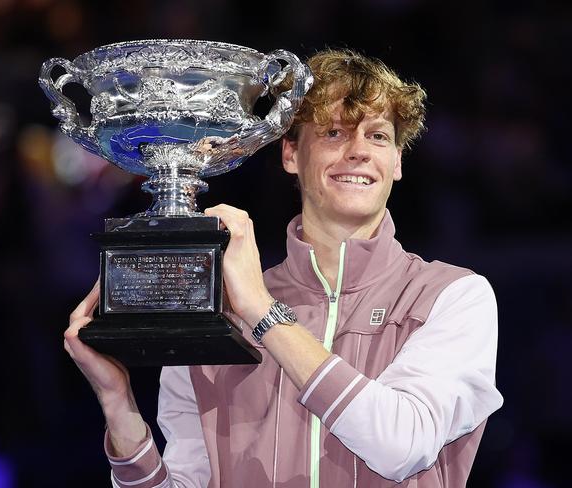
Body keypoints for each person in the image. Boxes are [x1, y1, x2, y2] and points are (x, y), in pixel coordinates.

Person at [64, 49, 503, 488]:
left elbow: (401, 444)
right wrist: (118, 404)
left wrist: (261, 310)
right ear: (290, 153)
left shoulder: (452, 296)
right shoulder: (218, 315)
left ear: (398, 162)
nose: (359, 152)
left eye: (378, 137)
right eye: (334, 133)